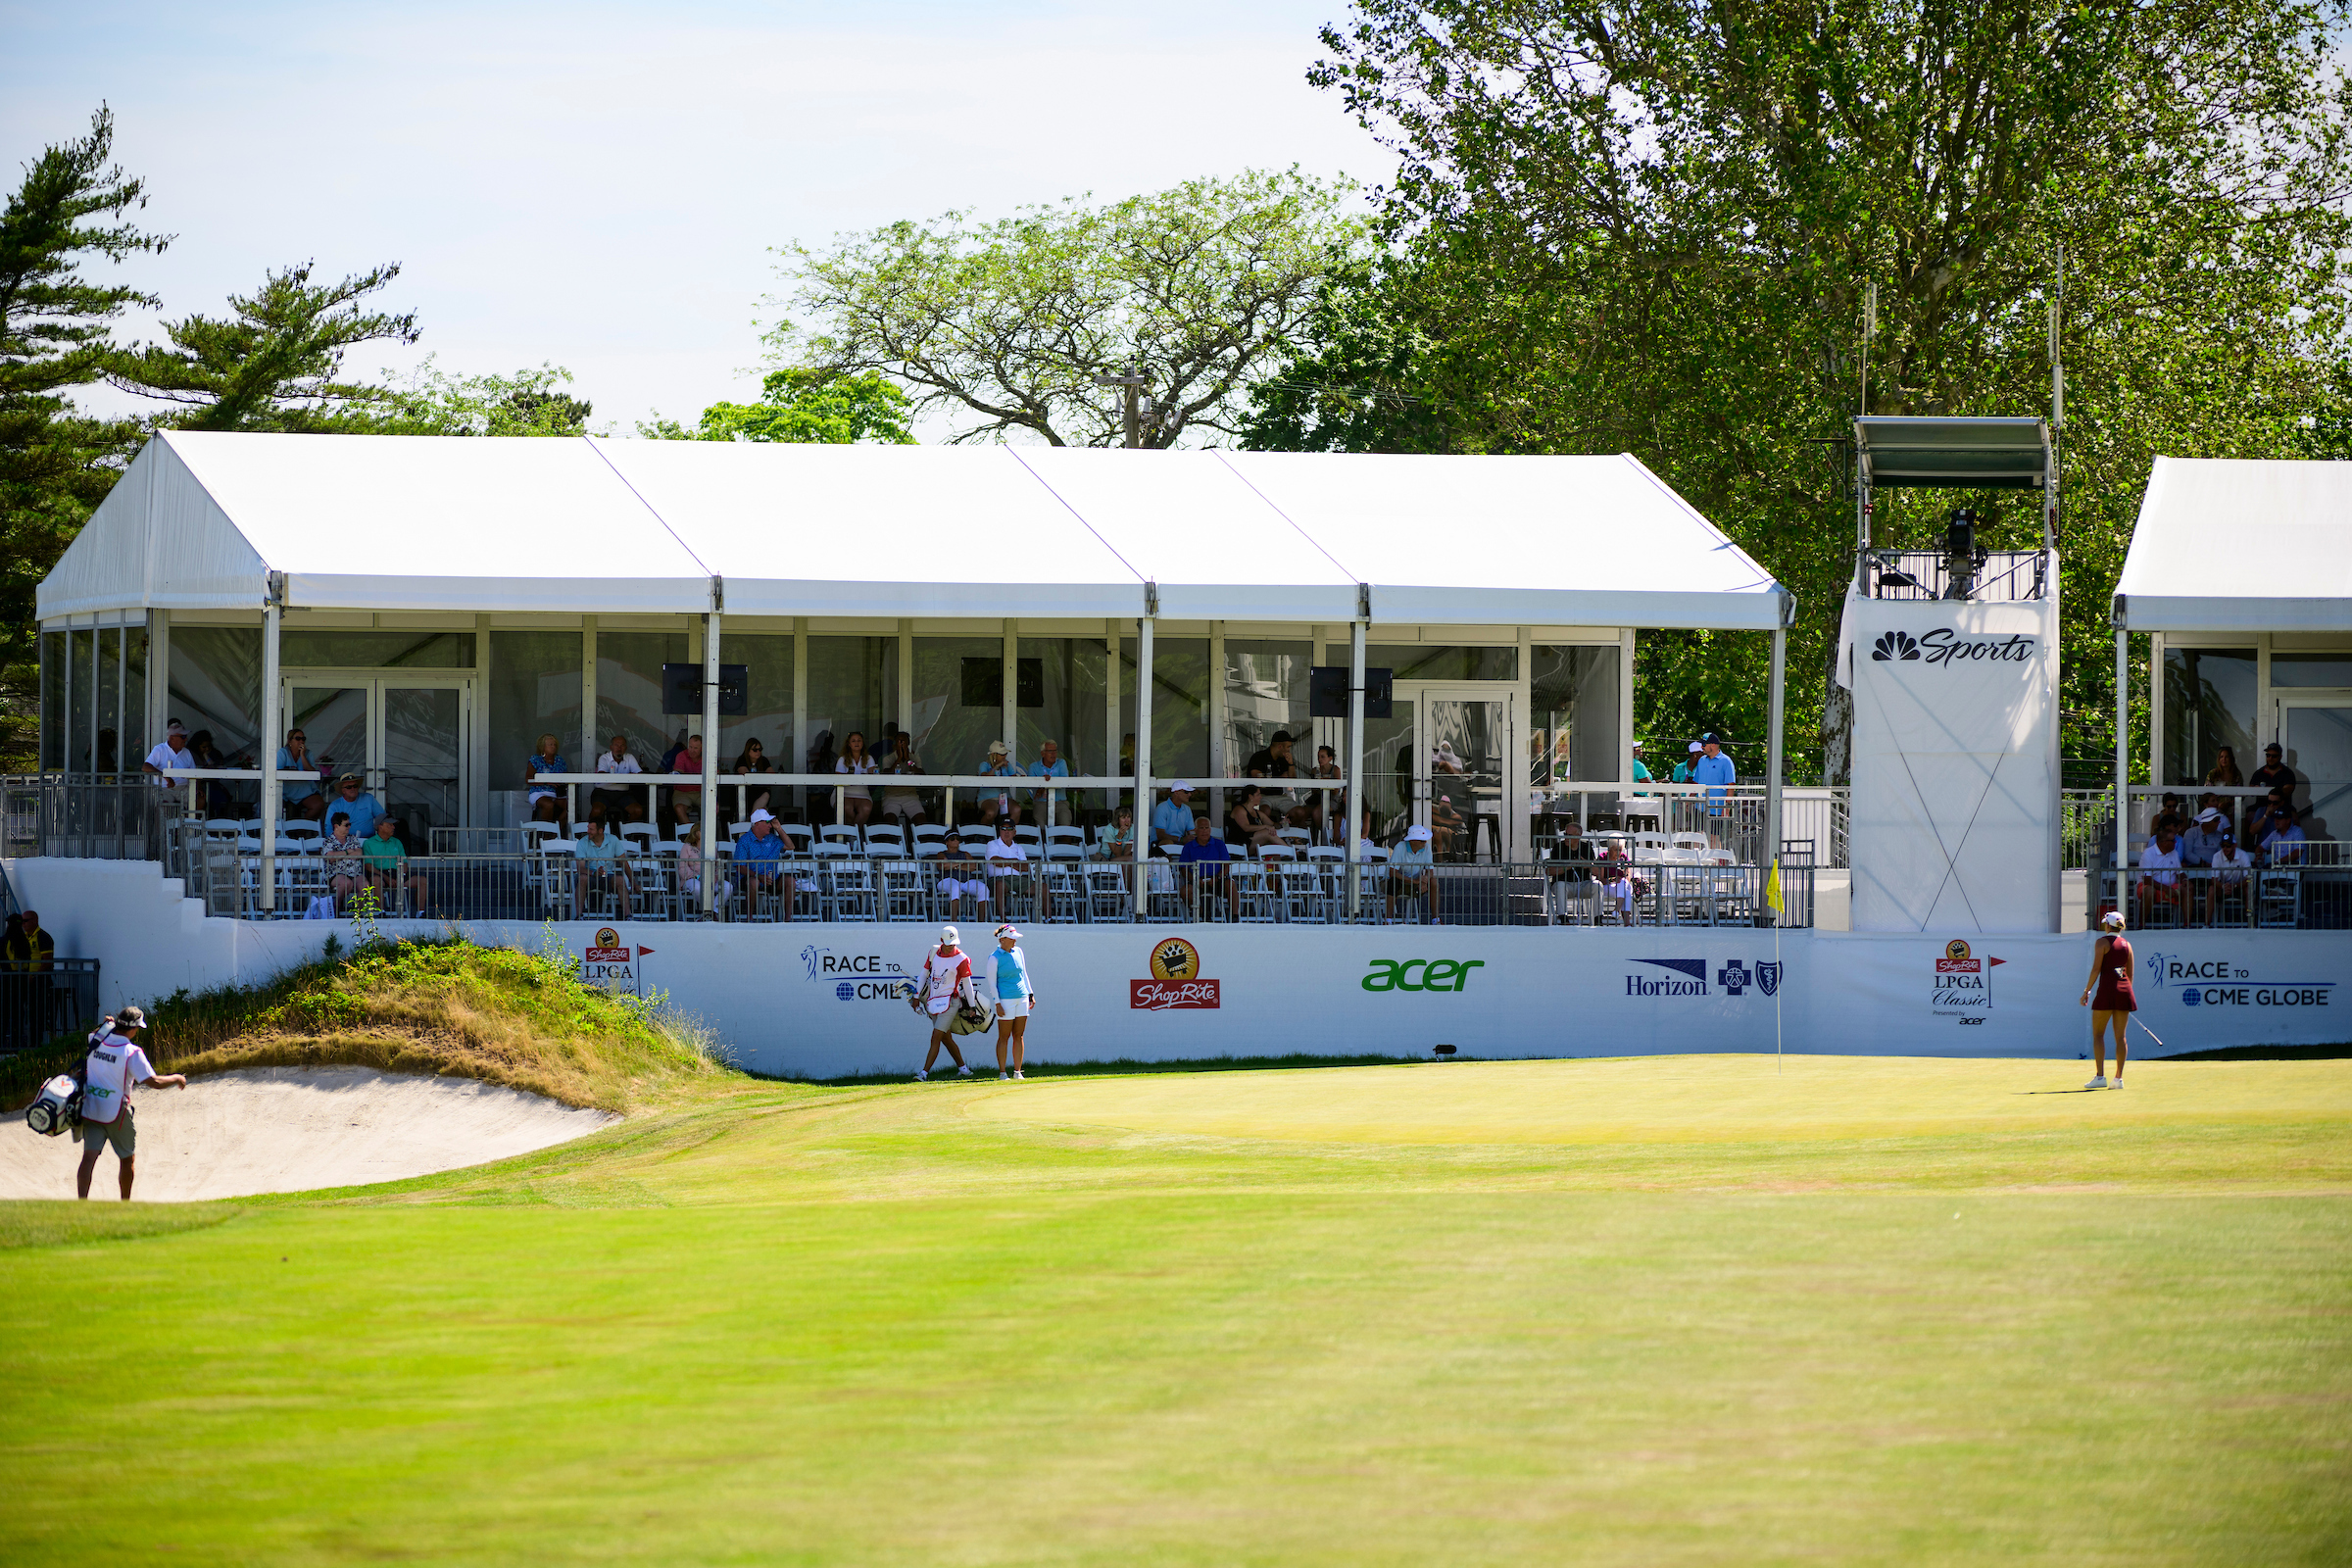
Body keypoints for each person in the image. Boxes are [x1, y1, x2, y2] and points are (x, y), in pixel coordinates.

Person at [74, 1005, 185, 1200]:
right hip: (118, 1112)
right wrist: (176, 1078)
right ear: (133, 1029)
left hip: (91, 1108)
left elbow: (94, 1033)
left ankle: (82, 1202)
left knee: (88, 1158)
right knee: (127, 1159)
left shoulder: (96, 1041)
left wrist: (105, 1026)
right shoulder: (131, 1052)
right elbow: (154, 1082)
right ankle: (125, 1204)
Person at [2079, 909, 2136, 1089]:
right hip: (2124, 991)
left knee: (2098, 1034)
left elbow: (2096, 969)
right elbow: (2130, 974)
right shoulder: (2127, 944)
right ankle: (2118, 1079)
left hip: (2106, 991)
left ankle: (2100, 1077)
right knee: (2121, 1037)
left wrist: (2087, 991)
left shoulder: (2101, 942)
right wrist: (2124, 995)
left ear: (2108, 925)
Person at [914, 925, 978, 1081]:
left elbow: (967, 984)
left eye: (954, 943)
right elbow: (924, 974)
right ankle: (964, 1069)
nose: (951, 947)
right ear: (941, 940)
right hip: (933, 1001)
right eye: (948, 943)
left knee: (936, 1036)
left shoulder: (962, 959)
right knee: (945, 1038)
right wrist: (917, 995)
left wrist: (972, 1006)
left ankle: (924, 1073)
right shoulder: (933, 952)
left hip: (951, 1002)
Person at [990, 923, 1037, 1080]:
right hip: (1005, 1000)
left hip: (1022, 997)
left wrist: (1030, 993)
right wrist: (997, 1003)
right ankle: (1003, 1073)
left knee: (1019, 1035)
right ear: (1002, 939)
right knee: (1004, 1037)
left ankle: (1017, 1072)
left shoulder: (1019, 952)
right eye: (1012, 938)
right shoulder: (994, 957)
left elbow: (1024, 974)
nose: (1015, 941)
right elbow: (992, 983)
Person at [733, 808, 794, 920]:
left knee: (790, 881)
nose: (770, 825)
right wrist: (758, 876)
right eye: (767, 822)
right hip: (751, 878)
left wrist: (779, 829)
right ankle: (749, 918)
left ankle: (788, 920)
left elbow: (790, 846)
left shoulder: (772, 838)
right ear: (757, 824)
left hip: (771, 879)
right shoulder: (744, 840)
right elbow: (739, 866)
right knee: (754, 882)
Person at [570, 816, 634, 918]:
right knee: (581, 878)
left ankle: (628, 916)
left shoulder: (613, 840)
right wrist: (594, 873)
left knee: (621, 880)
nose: (588, 831)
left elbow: (624, 863)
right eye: (588, 828)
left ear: (600, 831)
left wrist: (633, 881)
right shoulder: (582, 842)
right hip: (589, 876)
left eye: (591, 829)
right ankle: (579, 916)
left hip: (607, 876)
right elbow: (580, 868)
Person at [985, 818, 1045, 918]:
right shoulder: (992, 844)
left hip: (1017, 879)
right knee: (1000, 884)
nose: (1006, 831)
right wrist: (1014, 862)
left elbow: (1025, 867)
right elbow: (996, 861)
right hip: (998, 878)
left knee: (1043, 887)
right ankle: (1003, 918)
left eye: (1009, 829)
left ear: (1014, 832)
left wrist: (1006, 862)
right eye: (1003, 828)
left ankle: (1049, 919)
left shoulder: (1018, 847)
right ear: (999, 831)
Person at [1177, 815, 1233, 914]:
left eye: (1207, 828)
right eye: (1201, 828)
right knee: (1185, 891)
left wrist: (1218, 878)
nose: (1204, 831)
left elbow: (1226, 866)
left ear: (1210, 830)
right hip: (1196, 881)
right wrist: (1195, 880)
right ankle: (1201, 915)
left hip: (1217, 880)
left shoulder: (1219, 844)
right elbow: (1184, 869)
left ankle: (1235, 917)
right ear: (1195, 830)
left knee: (1231, 884)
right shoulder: (1188, 847)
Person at [675, 821, 731, 914]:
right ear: (695, 832)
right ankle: (708, 911)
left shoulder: (712, 847)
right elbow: (682, 868)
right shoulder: (687, 847)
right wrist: (697, 876)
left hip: (711, 880)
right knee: (697, 887)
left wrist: (716, 875)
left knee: (728, 887)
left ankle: (713, 912)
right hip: (691, 879)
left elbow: (717, 865)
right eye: (702, 830)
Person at [934, 828, 989, 917]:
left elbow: (973, 867)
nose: (956, 840)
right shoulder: (941, 854)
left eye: (957, 839)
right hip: (947, 880)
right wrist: (962, 863)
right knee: (955, 887)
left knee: (983, 888)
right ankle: (954, 921)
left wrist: (955, 865)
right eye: (952, 839)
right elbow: (944, 866)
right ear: (946, 842)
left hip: (966, 880)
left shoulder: (966, 854)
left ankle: (981, 922)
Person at [1387, 822, 1435, 920]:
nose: (1425, 842)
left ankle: (1436, 919)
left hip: (1416, 884)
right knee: (1392, 882)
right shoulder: (1400, 847)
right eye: (1422, 840)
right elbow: (1392, 873)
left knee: (1434, 882)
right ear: (1412, 841)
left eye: (1425, 840)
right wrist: (1416, 881)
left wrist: (1425, 879)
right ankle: (1388, 920)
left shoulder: (1427, 848)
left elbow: (1430, 871)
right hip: (1399, 883)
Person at [879, 732, 927, 830]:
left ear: (908, 743)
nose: (901, 744)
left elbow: (921, 774)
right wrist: (899, 759)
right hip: (891, 796)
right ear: (895, 744)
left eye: (904, 741)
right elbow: (886, 774)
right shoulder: (888, 758)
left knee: (922, 822)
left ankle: (920, 844)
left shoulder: (914, 758)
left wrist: (908, 759)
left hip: (910, 796)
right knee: (889, 822)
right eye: (899, 741)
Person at [595, 734, 644, 825]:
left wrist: (616, 778)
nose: (619, 748)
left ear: (626, 747)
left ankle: (625, 834)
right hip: (603, 793)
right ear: (611, 747)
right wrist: (626, 776)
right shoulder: (604, 758)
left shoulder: (629, 757)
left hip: (623, 794)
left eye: (622, 745)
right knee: (596, 811)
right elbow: (602, 775)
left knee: (638, 810)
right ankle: (593, 834)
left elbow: (639, 774)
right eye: (616, 745)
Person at [2136, 823, 2182, 917]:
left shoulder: (2174, 853)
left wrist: (2185, 880)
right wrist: (2165, 888)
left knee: (2187, 888)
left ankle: (2187, 925)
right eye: (2173, 840)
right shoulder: (2148, 853)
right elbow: (2147, 880)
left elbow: (2180, 873)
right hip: (2149, 886)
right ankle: (2142, 925)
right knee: (2149, 891)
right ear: (2164, 842)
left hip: (2170, 886)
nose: (2175, 842)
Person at [276, 726, 322, 819]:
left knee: (318, 805)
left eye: (303, 739)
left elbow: (311, 772)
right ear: (290, 741)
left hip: (305, 789)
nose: (301, 741)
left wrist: (302, 755)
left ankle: (303, 828)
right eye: (298, 738)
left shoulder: (308, 753)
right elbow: (278, 772)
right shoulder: (283, 752)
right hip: (288, 790)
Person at [834, 731, 877, 828]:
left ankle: (853, 835)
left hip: (862, 793)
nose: (856, 743)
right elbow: (838, 777)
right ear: (849, 744)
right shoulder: (842, 759)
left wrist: (873, 771)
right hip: (844, 792)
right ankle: (852, 836)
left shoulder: (869, 758)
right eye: (853, 741)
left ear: (862, 743)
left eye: (859, 740)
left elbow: (874, 773)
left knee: (866, 809)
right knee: (847, 808)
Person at [322, 812, 365, 908]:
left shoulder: (352, 838)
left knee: (365, 885)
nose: (349, 827)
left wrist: (340, 855)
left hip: (355, 873)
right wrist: (347, 851)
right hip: (336, 873)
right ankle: (337, 906)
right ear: (336, 826)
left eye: (349, 824)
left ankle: (358, 912)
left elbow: (359, 853)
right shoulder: (328, 840)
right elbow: (330, 857)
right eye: (346, 825)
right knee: (346, 883)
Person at [667, 733, 709, 832]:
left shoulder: (708, 757)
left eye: (695, 748)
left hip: (702, 792)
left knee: (714, 808)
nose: (692, 750)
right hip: (683, 791)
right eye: (690, 747)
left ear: (702, 748)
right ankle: (693, 834)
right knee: (679, 808)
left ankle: (706, 835)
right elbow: (678, 771)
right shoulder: (681, 755)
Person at [526, 733, 568, 827]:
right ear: (542, 746)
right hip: (539, 792)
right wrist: (546, 782)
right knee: (548, 805)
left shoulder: (559, 760)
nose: (553, 747)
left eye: (554, 745)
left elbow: (566, 776)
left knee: (572, 807)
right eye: (550, 745)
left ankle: (556, 830)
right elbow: (528, 779)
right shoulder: (535, 759)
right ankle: (546, 834)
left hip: (556, 793)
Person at [322, 774, 383, 841]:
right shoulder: (335, 806)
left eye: (355, 786)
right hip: (345, 842)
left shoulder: (369, 798)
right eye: (349, 787)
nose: (353, 789)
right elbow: (329, 829)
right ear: (343, 790)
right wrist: (337, 843)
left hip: (369, 840)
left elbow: (382, 818)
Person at [1025, 738, 1070, 826]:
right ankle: (1042, 840)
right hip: (1041, 802)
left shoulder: (1061, 763)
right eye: (1050, 751)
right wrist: (1042, 782)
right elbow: (1030, 785)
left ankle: (1064, 840)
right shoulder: (1033, 766)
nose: (1053, 754)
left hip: (1060, 802)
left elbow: (1064, 780)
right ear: (1042, 753)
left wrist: (1044, 785)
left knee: (1065, 823)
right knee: (1040, 825)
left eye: (1055, 751)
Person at [978, 740, 1021, 827]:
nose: (1004, 756)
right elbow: (984, 778)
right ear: (993, 755)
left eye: (1005, 754)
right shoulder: (984, 765)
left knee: (1017, 809)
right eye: (1002, 754)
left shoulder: (1007, 765)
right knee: (991, 812)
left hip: (1005, 797)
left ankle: (1006, 832)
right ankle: (983, 834)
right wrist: (996, 767)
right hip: (987, 798)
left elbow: (1013, 779)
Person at [1227, 784, 1282, 851]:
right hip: (1239, 846)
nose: (1261, 797)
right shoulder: (1239, 809)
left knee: (1273, 846)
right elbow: (1246, 828)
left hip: (1252, 844)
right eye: (1258, 795)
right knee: (1268, 833)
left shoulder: (1257, 813)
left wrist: (1282, 823)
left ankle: (1288, 854)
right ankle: (1291, 852)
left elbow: (1273, 825)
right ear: (1250, 796)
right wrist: (1265, 826)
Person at [1152, 782, 1198, 847]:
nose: (1190, 794)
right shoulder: (1162, 807)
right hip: (1158, 844)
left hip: (1180, 842)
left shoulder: (1187, 809)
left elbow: (1191, 830)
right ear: (1176, 793)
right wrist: (1181, 839)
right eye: (1186, 792)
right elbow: (1160, 835)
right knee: (1168, 843)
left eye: (1190, 792)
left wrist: (1194, 837)